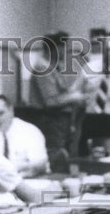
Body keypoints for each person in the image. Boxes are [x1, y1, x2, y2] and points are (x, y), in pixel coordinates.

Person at [28, 31, 88, 163]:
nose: (65, 52)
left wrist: (72, 93)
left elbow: (59, 94)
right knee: (55, 156)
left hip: (59, 122)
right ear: (54, 48)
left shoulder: (53, 67)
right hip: (50, 121)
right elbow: (50, 101)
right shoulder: (43, 67)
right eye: (64, 48)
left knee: (62, 155)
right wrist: (74, 97)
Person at [0, 94, 50, 176]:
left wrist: (15, 168)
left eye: (0, 113)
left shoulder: (29, 131)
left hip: (32, 179)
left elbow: (40, 164)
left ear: (11, 110)